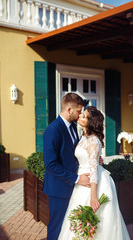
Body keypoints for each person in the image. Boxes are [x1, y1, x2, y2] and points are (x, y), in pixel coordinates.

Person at [58, 106, 131, 240]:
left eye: (84, 116)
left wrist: (93, 196)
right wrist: (97, 159)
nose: (80, 116)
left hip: (93, 183)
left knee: (98, 222)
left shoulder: (93, 140)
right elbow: (88, 158)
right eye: (81, 114)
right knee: (80, 221)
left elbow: (93, 170)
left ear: (90, 122)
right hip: (82, 180)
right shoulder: (84, 137)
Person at [43, 93, 91, 240]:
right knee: (56, 228)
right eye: (78, 111)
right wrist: (76, 178)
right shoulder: (53, 129)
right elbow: (50, 164)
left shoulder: (72, 127)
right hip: (58, 189)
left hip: (71, 188)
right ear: (69, 109)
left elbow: (74, 155)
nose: (80, 115)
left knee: (68, 228)